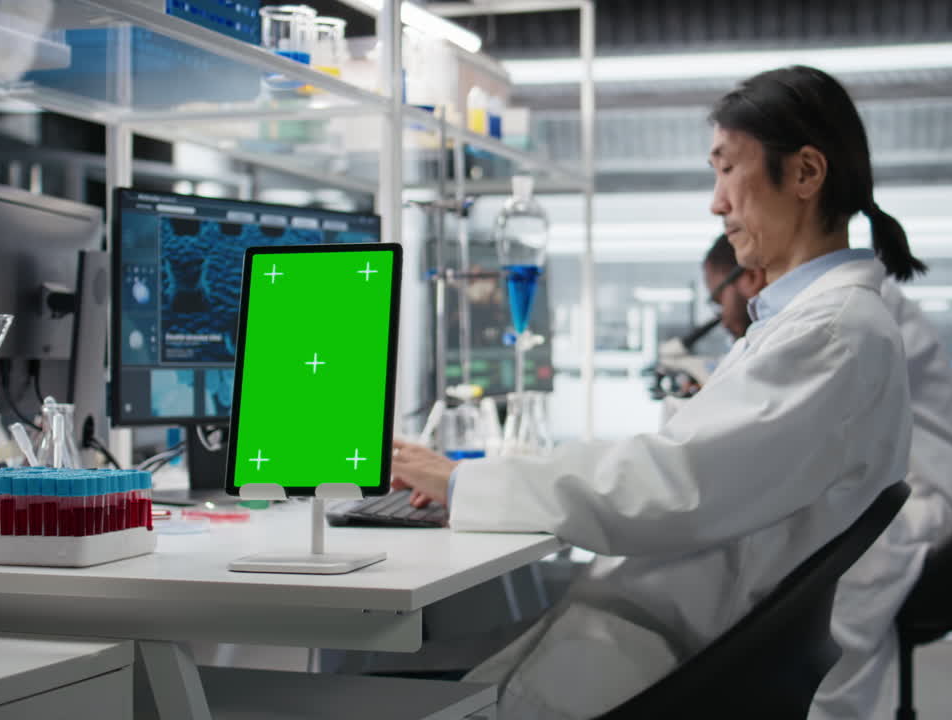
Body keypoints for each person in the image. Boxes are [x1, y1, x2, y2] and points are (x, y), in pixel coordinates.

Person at [391, 64, 923, 720]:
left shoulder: (834, 332)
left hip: (674, 655)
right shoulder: (812, 323)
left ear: (807, 174)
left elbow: (672, 485)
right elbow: (692, 461)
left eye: (728, 168)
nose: (717, 201)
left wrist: (465, 483)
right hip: (674, 632)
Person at [701, 233, 952, 720]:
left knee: (834, 564)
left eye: (717, 297)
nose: (720, 314)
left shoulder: (853, 308)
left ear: (748, 277)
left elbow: (789, 425)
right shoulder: (828, 304)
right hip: (906, 488)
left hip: (937, 499)